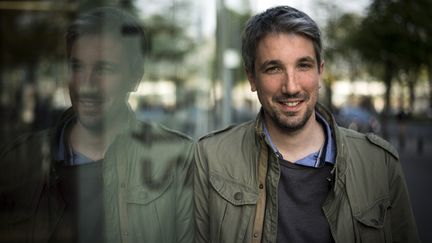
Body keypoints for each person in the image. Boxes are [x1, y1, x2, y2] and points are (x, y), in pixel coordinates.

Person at [194, 5, 419, 243]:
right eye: (274, 68)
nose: (291, 87)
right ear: (251, 77)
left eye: (303, 65)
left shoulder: (380, 162)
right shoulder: (211, 158)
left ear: (320, 72)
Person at [0, 7, 194, 243]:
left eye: (103, 69)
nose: (86, 84)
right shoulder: (19, 158)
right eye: (77, 67)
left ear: (135, 79)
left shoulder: (177, 158)